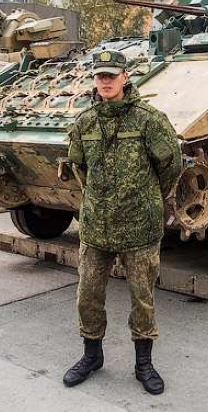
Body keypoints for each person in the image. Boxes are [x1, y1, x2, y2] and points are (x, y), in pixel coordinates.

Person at [63, 49, 181, 394]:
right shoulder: (85, 122)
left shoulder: (149, 119)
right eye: (100, 75)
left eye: (112, 75)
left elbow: (170, 165)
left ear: (125, 77)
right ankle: (91, 356)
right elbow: (78, 166)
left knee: (142, 298)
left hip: (140, 227)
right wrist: (99, 199)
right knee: (88, 295)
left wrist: (146, 199)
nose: (105, 81)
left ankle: (144, 364)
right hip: (96, 226)